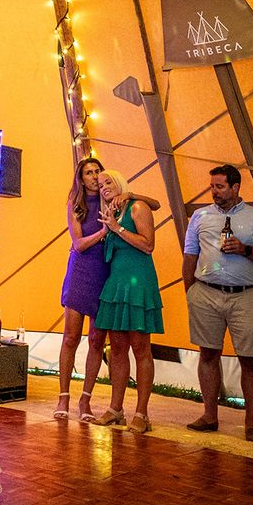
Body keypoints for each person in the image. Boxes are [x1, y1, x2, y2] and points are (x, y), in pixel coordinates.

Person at [56, 158, 159, 422]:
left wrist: (130, 194)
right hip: (82, 272)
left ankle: (86, 400)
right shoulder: (76, 205)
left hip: (108, 275)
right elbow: (78, 244)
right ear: (81, 178)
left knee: (97, 340)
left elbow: (154, 206)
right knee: (71, 336)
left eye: (99, 174)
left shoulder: (118, 203)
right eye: (88, 174)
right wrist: (105, 231)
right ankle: (64, 396)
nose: (94, 178)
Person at [182, 164, 253, 442]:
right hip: (206, 293)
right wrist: (190, 291)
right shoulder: (200, 217)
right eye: (211, 186)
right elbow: (189, 255)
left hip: (246, 294)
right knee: (208, 353)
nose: (213, 192)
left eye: (220, 186)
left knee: (250, 359)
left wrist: (245, 249)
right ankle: (209, 415)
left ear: (236, 187)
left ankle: (252, 422)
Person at [92, 169, 164, 434]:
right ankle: (115, 409)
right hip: (116, 284)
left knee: (141, 347)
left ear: (120, 182)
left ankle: (142, 413)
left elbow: (148, 245)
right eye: (100, 185)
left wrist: (117, 228)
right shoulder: (109, 213)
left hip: (138, 284)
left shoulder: (137, 207)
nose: (103, 187)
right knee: (118, 348)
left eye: (108, 182)